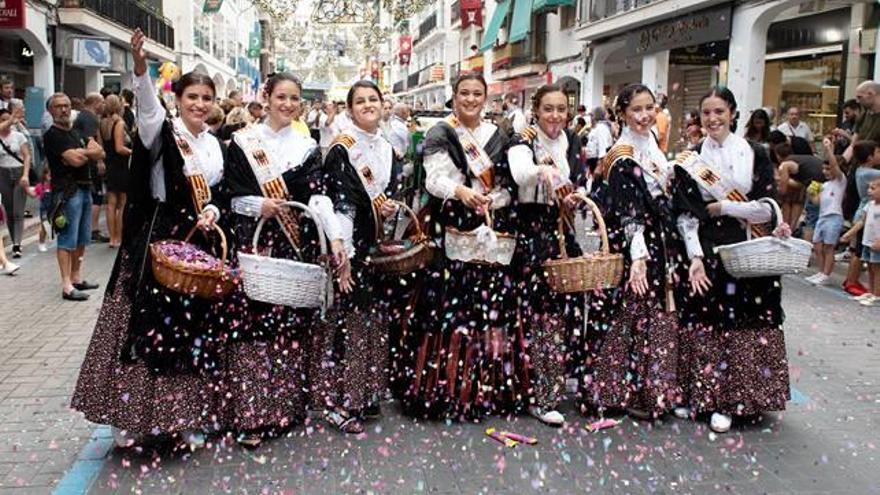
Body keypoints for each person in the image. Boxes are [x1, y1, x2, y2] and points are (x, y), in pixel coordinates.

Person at [71, 28, 227, 449]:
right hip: (156, 244)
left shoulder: (215, 145)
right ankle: (131, 418)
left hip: (198, 245)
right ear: (178, 100)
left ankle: (175, 418)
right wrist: (140, 65)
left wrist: (213, 210)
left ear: (213, 104)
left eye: (206, 98)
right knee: (146, 330)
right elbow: (145, 100)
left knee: (187, 332)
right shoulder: (161, 128)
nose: (199, 104)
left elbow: (219, 193)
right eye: (192, 97)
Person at [223, 72, 346, 445]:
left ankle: (286, 409)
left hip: (296, 245)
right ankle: (252, 416)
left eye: (295, 99)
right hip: (258, 245)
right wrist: (259, 204)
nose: (288, 105)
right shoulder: (243, 143)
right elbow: (229, 197)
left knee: (292, 327)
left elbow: (318, 198)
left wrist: (336, 237)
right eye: (281, 97)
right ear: (266, 97)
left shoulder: (307, 147)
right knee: (254, 330)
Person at [404, 73, 524, 421]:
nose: (470, 99)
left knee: (492, 308)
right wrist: (463, 193)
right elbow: (435, 179)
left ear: (485, 98)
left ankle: (489, 389)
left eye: (477, 94)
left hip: (492, 227)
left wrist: (495, 198)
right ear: (453, 96)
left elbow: (508, 182)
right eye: (464, 93)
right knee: (457, 309)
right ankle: (455, 389)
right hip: (457, 225)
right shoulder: (441, 132)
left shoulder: (498, 134)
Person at [673, 86, 790, 434]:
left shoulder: (755, 152)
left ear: (733, 113)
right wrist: (694, 256)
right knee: (706, 320)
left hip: (748, 248)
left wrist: (724, 207)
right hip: (708, 249)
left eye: (719, 112)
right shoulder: (690, 158)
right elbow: (685, 214)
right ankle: (704, 397)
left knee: (743, 321)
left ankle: (736, 400)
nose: (713, 119)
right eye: (706, 113)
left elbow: (765, 207)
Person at [581, 84, 682, 421]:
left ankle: (649, 390)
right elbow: (629, 213)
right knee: (628, 314)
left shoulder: (651, 142)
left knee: (652, 316)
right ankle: (614, 390)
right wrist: (638, 257)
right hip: (636, 247)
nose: (644, 116)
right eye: (636, 110)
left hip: (658, 241)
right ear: (622, 113)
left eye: (649, 108)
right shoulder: (622, 153)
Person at [310, 80, 402, 434]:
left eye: (373, 99)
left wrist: (390, 207)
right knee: (346, 321)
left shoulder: (389, 148)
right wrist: (344, 254)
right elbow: (341, 204)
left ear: (383, 105)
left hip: (376, 244)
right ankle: (337, 400)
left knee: (373, 320)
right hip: (350, 246)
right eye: (360, 101)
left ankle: (365, 392)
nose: (367, 105)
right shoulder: (342, 149)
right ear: (350, 109)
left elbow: (388, 195)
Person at [506, 84, 585, 426]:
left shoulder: (574, 141)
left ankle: (553, 386)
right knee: (533, 315)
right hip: (530, 234)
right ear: (536, 111)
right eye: (548, 109)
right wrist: (545, 171)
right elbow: (521, 174)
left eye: (561, 109)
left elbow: (582, 182)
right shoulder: (523, 140)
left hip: (562, 232)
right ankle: (532, 391)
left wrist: (575, 196)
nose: (555, 116)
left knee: (559, 316)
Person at [42, 93, 104, 301]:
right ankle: (67, 285)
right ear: (51, 111)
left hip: (85, 189)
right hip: (67, 192)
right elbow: (76, 160)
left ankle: (77, 277)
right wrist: (86, 152)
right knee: (67, 239)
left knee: (82, 238)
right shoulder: (52, 135)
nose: (64, 109)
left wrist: (82, 151)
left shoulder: (76, 132)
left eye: (67, 105)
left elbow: (100, 153)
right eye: (59, 106)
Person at [804, 138, 846, 286]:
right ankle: (821, 271)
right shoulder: (825, 185)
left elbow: (835, 166)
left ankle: (826, 273)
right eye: (824, 169)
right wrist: (811, 193)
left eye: (828, 169)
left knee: (829, 247)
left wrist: (829, 150)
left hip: (834, 217)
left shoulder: (840, 181)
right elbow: (817, 202)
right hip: (822, 217)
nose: (826, 172)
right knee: (817, 245)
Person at [841, 140, 880, 297]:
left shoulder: (861, 170)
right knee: (858, 251)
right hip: (866, 214)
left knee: (857, 249)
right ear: (870, 157)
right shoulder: (869, 173)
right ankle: (851, 280)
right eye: (878, 153)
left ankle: (851, 279)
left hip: (863, 213)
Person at [73, 93, 109, 244]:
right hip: (90, 162)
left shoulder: (84, 116)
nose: (103, 105)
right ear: (95, 103)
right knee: (97, 196)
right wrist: (100, 160)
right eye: (102, 102)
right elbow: (91, 140)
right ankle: (93, 229)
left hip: (85, 160)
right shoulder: (90, 118)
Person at [98, 94, 132, 248]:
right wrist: (133, 152)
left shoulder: (102, 123)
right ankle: (119, 236)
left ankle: (112, 238)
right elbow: (120, 147)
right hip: (121, 165)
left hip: (109, 163)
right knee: (123, 202)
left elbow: (102, 148)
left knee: (111, 203)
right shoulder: (119, 123)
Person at [775, 142, 824, 238]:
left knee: (812, 215)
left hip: (816, 183)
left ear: (778, 155)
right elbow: (801, 183)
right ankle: (791, 232)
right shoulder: (800, 160)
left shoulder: (784, 165)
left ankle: (791, 234)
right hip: (822, 179)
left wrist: (778, 187)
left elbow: (783, 190)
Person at [0, 108, 32, 257]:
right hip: (3, 173)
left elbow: (26, 156)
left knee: (18, 212)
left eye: (10, 119)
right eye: (3, 120)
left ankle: (17, 245)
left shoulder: (18, 136)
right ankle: (14, 241)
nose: (8, 123)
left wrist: (25, 174)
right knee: (9, 211)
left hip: (19, 172)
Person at [586, 107, 614, 175]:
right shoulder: (597, 127)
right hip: (592, 162)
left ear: (596, 116)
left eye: (592, 115)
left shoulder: (601, 128)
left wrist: (599, 166)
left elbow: (603, 148)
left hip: (597, 162)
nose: (590, 118)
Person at [34, 166, 52, 252]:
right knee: (44, 226)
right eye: (49, 174)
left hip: (54, 208)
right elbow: (33, 194)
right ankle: (41, 243)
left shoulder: (55, 184)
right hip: (44, 210)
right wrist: (26, 188)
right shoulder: (40, 186)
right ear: (45, 174)